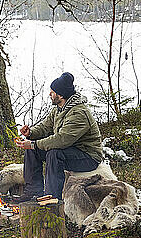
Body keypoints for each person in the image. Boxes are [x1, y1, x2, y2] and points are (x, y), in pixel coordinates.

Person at [15, 72, 102, 201]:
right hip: (70, 151)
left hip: (88, 156)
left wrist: (34, 143)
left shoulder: (79, 113)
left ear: (60, 95)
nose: (50, 94)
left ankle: (51, 198)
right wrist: (31, 133)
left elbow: (62, 140)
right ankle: (33, 192)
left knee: (54, 153)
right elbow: (45, 127)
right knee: (32, 150)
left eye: (52, 92)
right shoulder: (58, 109)